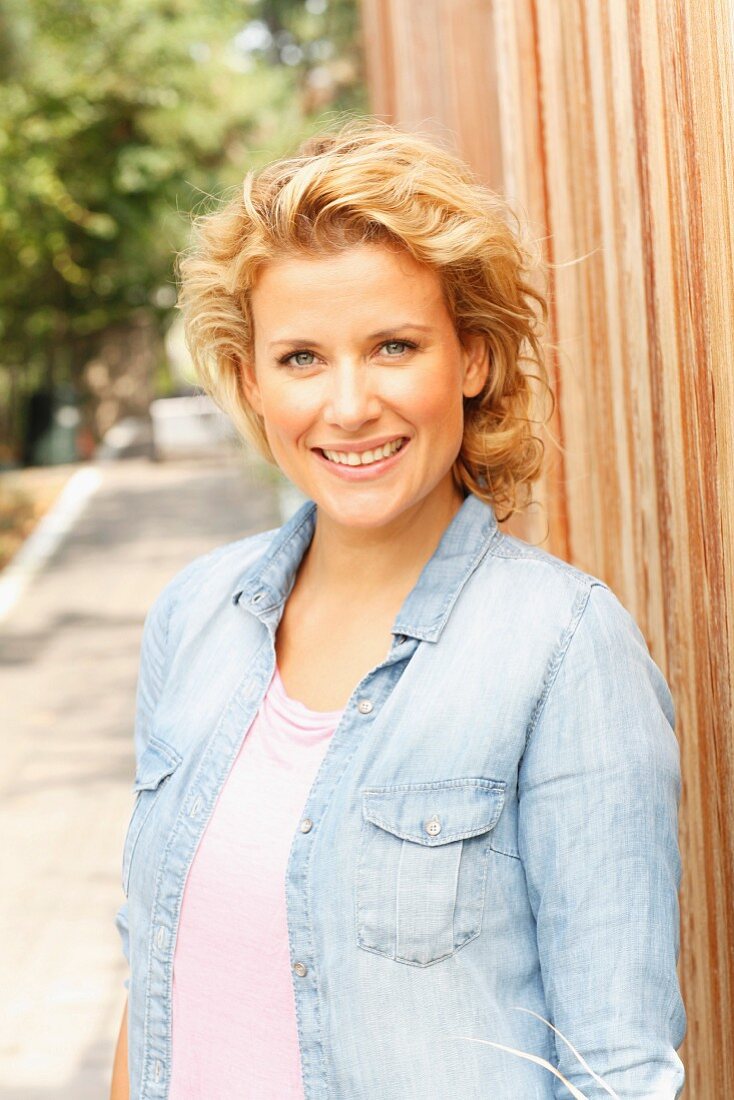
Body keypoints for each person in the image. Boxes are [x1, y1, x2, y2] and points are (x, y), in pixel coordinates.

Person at [109, 118, 686, 1100]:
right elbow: (153, 975)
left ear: (468, 358)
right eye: (299, 358)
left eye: (392, 345)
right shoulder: (193, 615)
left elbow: (614, 1066)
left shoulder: (561, 649)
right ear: (251, 380)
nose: (347, 404)